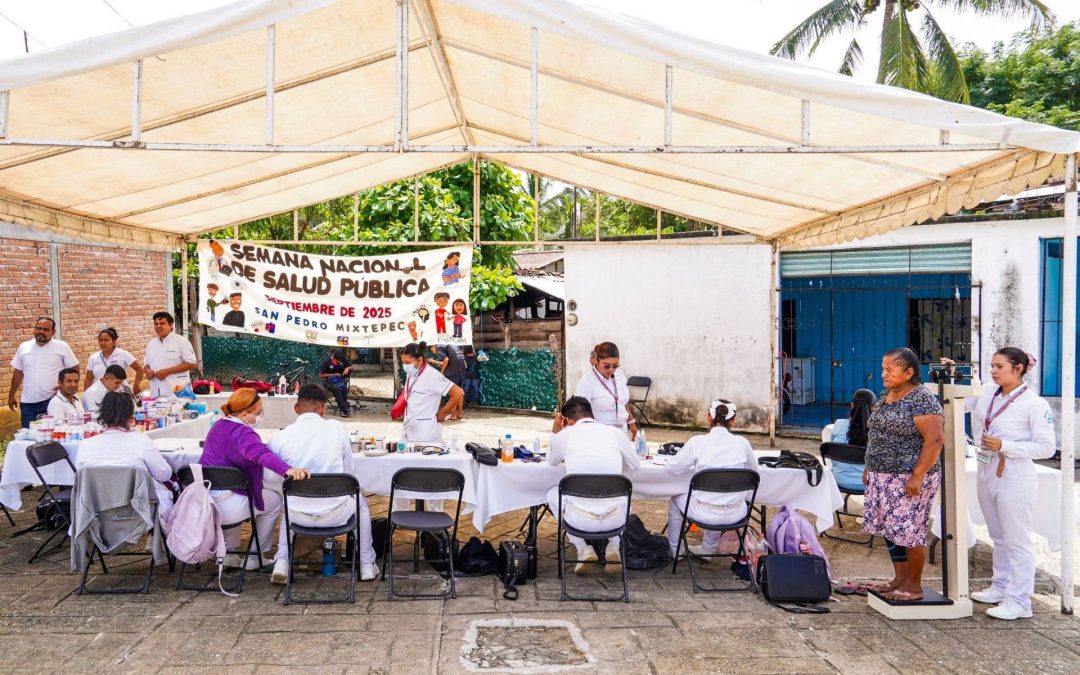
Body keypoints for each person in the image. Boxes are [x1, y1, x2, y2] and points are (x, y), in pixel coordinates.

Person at [943, 349, 1055, 620]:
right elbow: (958, 404)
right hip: (986, 468)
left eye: (999, 366)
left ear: (1018, 369)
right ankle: (1001, 585)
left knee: (1017, 538)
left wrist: (1007, 445)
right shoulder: (988, 393)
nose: (993, 370)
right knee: (998, 535)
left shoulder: (1034, 404)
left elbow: (1047, 447)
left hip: (1015, 474)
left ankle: (1020, 600)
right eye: (992, 365)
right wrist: (952, 377)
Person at [268, 384, 379, 584]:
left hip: (298, 517)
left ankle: (282, 561)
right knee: (360, 501)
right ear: (323, 409)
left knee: (288, 501)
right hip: (336, 514)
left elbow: (269, 478)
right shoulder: (336, 428)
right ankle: (366, 564)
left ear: (296, 408)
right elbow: (348, 471)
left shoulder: (280, 436)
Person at [862, 347, 944, 602]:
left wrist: (917, 476)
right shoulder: (888, 394)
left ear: (909, 372)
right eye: (883, 369)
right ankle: (899, 578)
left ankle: (914, 585)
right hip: (882, 474)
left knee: (910, 530)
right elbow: (876, 433)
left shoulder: (922, 398)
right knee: (890, 528)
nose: (883, 374)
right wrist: (869, 466)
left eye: (890, 369)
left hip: (908, 476)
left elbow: (935, 440)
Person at [200, 389, 310, 569]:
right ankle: (254, 556)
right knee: (274, 500)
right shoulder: (244, 433)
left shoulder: (218, 425)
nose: (260, 416)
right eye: (258, 413)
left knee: (240, 489)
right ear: (244, 414)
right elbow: (259, 454)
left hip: (207, 500)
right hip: (228, 507)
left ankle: (230, 552)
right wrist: (287, 469)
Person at [547, 396, 639, 574]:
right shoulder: (615, 433)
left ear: (568, 421)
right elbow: (635, 464)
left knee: (551, 493)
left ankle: (583, 549)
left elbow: (551, 461)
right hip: (616, 520)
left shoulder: (565, 435)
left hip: (580, 520)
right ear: (592, 414)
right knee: (626, 494)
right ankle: (613, 546)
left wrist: (556, 432)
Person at [664, 399, 758, 557]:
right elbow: (753, 472)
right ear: (733, 422)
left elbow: (673, 467)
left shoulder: (697, 442)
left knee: (676, 499)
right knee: (719, 494)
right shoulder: (743, 443)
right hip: (737, 513)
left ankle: (675, 550)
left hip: (705, 513)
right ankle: (708, 549)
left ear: (709, 418)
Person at [75, 391, 175, 515]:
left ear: (102, 415)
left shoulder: (85, 444)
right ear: (130, 415)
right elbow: (164, 474)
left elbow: (80, 480)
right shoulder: (141, 440)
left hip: (94, 515)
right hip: (137, 515)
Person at [9, 316, 79, 429]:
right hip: (28, 403)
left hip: (52, 400)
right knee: (29, 437)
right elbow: (18, 372)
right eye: (38, 328)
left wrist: (66, 388)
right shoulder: (24, 347)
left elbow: (74, 368)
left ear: (53, 332)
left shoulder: (62, 347)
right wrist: (11, 395)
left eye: (46, 330)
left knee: (52, 436)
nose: (41, 332)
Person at [399, 341, 464, 444]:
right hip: (409, 433)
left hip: (426, 436)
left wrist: (443, 413)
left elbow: (458, 393)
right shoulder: (411, 373)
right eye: (403, 362)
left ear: (419, 360)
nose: (405, 366)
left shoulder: (432, 375)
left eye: (407, 362)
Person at [573, 341, 638, 440]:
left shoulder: (619, 375)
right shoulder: (586, 383)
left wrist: (631, 422)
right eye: (606, 366)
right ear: (597, 361)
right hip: (600, 435)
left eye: (615, 365)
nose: (611, 370)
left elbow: (621, 402)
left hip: (622, 432)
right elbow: (580, 416)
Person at [828, 388, 875, 492]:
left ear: (852, 405)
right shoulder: (878, 430)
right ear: (873, 408)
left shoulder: (839, 424)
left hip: (840, 480)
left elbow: (832, 451)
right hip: (868, 482)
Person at [143, 312, 198, 398]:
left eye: (162, 323)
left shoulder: (181, 341)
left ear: (171, 325)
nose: (158, 326)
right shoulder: (151, 344)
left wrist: (167, 372)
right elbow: (146, 365)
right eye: (156, 324)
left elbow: (192, 364)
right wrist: (147, 371)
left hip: (179, 392)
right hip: (156, 392)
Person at [84, 327, 144, 393]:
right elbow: (88, 379)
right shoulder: (93, 358)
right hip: (99, 395)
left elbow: (139, 369)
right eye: (100, 340)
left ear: (114, 342)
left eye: (106, 340)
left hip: (119, 394)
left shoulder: (122, 354)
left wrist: (136, 385)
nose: (103, 343)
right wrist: (86, 395)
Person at [319, 348, 353, 417]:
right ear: (334, 358)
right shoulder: (326, 362)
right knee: (337, 389)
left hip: (338, 381)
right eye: (337, 361)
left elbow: (351, 366)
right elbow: (321, 375)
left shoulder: (341, 359)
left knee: (343, 388)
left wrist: (347, 368)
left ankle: (344, 408)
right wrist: (334, 374)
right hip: (327, 381)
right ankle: (344, 410)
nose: (339, 362)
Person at [442, 345, 467, 421]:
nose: (434, 352)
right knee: (460, 393)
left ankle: (453, 415)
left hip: (452, 373)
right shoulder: (456, 346)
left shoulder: (441, 346)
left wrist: (442, 372)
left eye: (433, 350)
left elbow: (446, 360)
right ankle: (459, 414)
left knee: (453, 394)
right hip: (461, 371)